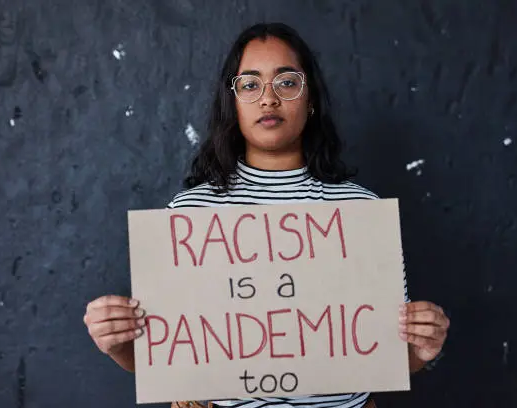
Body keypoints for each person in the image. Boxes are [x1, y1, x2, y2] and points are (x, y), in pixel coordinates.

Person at [83, 22, 450, 408]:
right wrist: (117, 343)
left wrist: (424, 348)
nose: (269, 99)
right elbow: (162, 359)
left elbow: (387, 357)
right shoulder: (191, 215)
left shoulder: (360, 212)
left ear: (310, 99)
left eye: (287, 82)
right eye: (250, 84)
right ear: (234, 102)